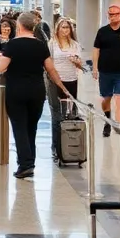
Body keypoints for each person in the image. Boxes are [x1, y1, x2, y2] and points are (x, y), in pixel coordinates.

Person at [0, 12, 73, 179]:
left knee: (19, 127)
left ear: (19, 26)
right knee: (31, 127)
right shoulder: (41, 45)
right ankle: (30, 162)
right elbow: (51, 69)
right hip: (37, 91)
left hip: (16, 91)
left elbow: (0, 67)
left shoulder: (12, 45)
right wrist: (62, 87)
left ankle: (25, 165)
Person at [46, 17, 83, 159]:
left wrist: (76, 62)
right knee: (57, 115)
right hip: (55, 81)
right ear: (57, 29)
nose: (65, 30)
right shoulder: (52, 44)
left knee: (70, 113)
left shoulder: (75, 45)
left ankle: (70, 145)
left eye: (67, 27)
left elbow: (80, 65)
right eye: (63, 27)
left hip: (71, 80)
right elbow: (48, 63)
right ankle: (56, 147)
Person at [92, 5, 120, 138]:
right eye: (111, 14)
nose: (113, 16)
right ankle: (107, 120)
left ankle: (119, 123)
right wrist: (95, 67)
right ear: (108, 16)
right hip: (105, 71)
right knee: (106, 98)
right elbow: (96, 50)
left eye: (116, 14)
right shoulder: (102, 32)